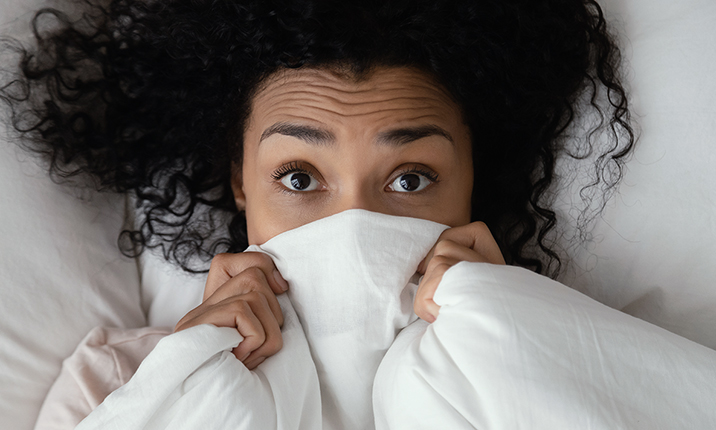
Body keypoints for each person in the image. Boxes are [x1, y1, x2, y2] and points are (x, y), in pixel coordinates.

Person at [1, 1, 632, 368]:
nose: (352, 223)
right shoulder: (115, 377)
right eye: (300, 177)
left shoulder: (586, 359)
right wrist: (181, 383)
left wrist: (522, 343)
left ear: (472, 185)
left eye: (410, 179)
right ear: (239, 183)